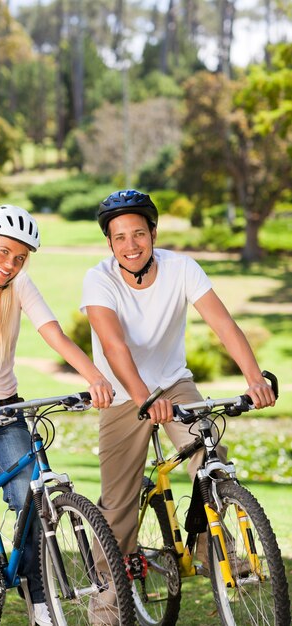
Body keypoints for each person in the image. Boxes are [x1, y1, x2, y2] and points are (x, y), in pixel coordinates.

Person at [0, 204, 114, 626]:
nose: (10, 264)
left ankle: (41, 604)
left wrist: (95, 377)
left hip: (7, 413)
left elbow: (53, 333)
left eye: (20, 257)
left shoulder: (19, 284)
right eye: (4, 252)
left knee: (31, 503)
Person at [80, 189, 276, 576]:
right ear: (109, 243)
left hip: (172, 383)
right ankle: (107, 605)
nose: (130, 245)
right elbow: (114, 347)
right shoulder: (98, 280)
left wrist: (255, 379)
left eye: (138, 234)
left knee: (211, 460)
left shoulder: (181, 268)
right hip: (125, 394)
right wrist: (143, 399)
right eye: (119, 237)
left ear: (153, 233)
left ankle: (216, 552)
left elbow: (223, 325)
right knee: (118, 503)